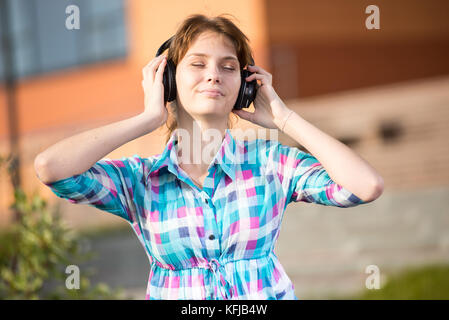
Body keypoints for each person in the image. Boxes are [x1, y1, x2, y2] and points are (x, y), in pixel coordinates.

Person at [34, 14, 384, 300]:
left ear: (246, 86)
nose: (214, 74)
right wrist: (146, 119)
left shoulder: (270, 163)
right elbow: (52, 168)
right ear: (167, 79)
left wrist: (285, 119)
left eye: (229, 67)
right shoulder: (140, 179)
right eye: (198, 64)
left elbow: (365, 186)